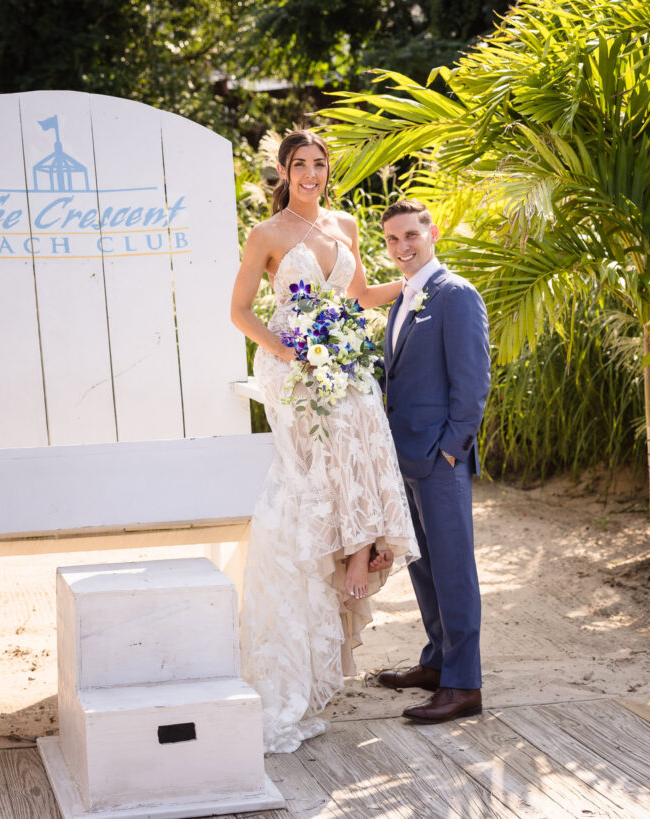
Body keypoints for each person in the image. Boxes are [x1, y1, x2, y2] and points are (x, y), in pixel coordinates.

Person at [230, 130, 420, 753]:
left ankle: (361, 550)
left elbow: (360, 296)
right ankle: (344, 558)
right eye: (300, 165)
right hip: (293, 364)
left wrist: (421, 280)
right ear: (283, 172)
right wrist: (285, 347)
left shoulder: (344, 223)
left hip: (343, 359)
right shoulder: (268, 234)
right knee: (324, 458)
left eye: (319, 165)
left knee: (368, 432)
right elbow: (240, 311)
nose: (310, 174)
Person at [375, 199, 490, 723]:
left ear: (432, 233)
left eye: (411, 236)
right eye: (393, 239)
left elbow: (472, 385)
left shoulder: (455, 295)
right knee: (423, 567)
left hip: (439, 460)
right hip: (404, 457)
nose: (403, 246)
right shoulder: (404, 298)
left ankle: (464, 686)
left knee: (454, 570)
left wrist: (450, 450)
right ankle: (439, 662)